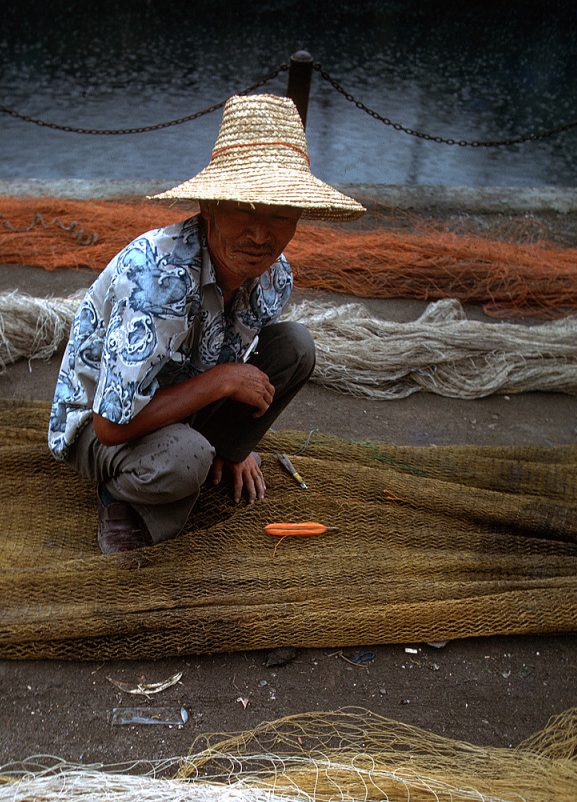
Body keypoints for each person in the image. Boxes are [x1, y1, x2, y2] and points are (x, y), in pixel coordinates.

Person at [47, 92, 365, 553]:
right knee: (186, 459)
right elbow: (110, 427)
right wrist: (221, 382)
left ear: (298, 218)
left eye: (280, 214)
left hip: (180, 404)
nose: (260, 235)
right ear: (211, 207)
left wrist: (238, 442)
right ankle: (120, 495)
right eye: (244, 210)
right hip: (98, 427)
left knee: (295, 346)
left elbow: (241, 358)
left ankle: (220, 455)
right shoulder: (159, 278)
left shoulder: (275, 277)